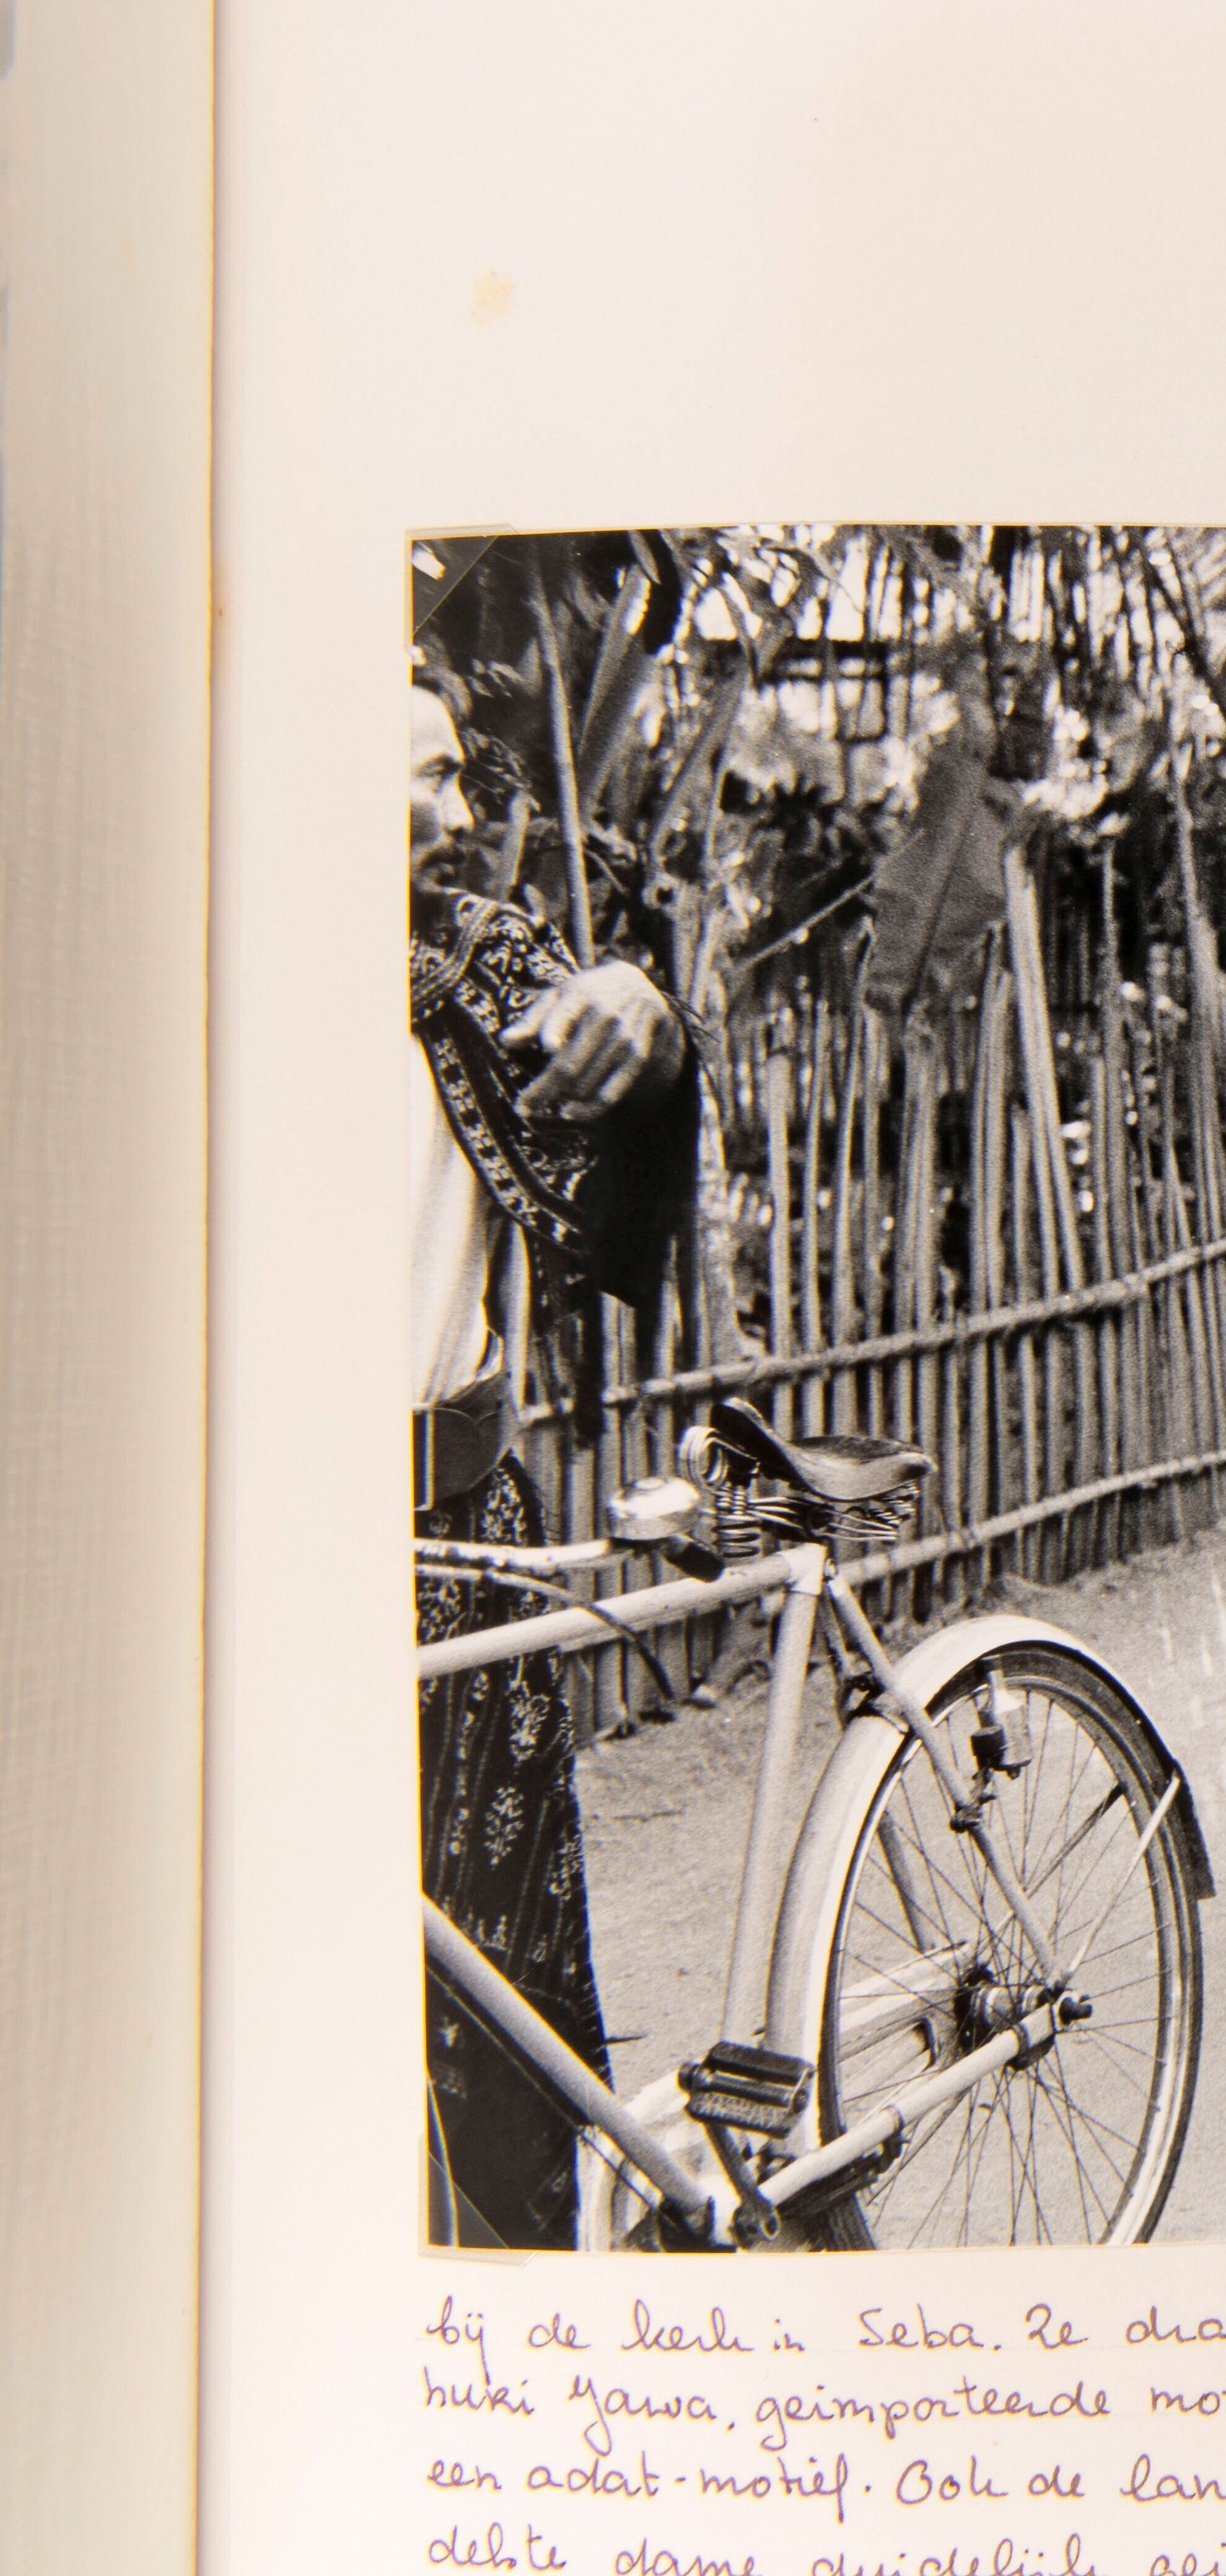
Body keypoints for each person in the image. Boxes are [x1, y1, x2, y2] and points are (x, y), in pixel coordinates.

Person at [409, 678, 698, 2242]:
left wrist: (646, 1013)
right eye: (403, 776)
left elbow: (636, 1073)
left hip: (450, 1538)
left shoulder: (472, 963)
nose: (448, 813)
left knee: (488, 1978)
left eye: (448, 772)